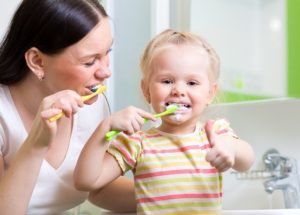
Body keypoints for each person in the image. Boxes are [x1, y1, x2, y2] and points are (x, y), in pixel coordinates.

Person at [74, 29, 255, 215]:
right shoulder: (137, 143)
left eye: (192, 83)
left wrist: (230, 148)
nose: (178, 90)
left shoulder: (214, 134)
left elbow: (246, 161)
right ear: (146, 91)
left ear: (210, 93)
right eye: (167, 81)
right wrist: (105, 127)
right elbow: (86, 182)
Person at [0, 0, 155, 214]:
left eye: (107, 52)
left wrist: (173, 192)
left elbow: (98, 189)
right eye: (90, 62)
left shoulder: (92, 104)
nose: (105, 72)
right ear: (37, 61)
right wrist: (36, 144)